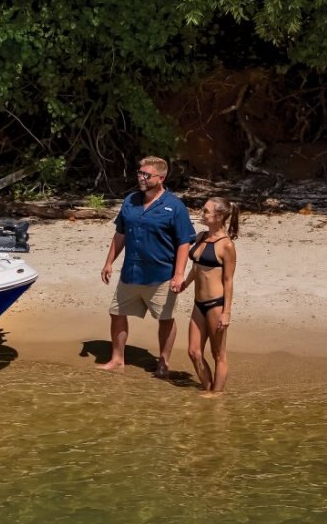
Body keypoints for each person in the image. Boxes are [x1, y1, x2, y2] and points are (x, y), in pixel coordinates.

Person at [98, 156, 197, 376]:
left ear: (161, 178)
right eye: (140, 173)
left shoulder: (175, 206)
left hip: (161, 275)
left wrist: (179, 274)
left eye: (146, 175)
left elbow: (184, 242)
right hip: (131, 272)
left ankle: (163, 362)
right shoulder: (130, 200)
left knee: (165, 319)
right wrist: (108, 262)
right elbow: (120, 233)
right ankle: (117, 359)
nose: (141, 178)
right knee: (116, 313)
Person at [182, 196, 239, 394]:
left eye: (206, 211)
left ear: (220, 216)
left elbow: (228, 280)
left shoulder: (226, 245)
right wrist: (184, 284)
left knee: (218, 355)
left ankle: (217, 395)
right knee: (193, 351)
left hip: (216, 304)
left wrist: (226, 313)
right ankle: (209, 390)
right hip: (198, 303)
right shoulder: (201, 237)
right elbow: (196, 267)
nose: (202, 213)